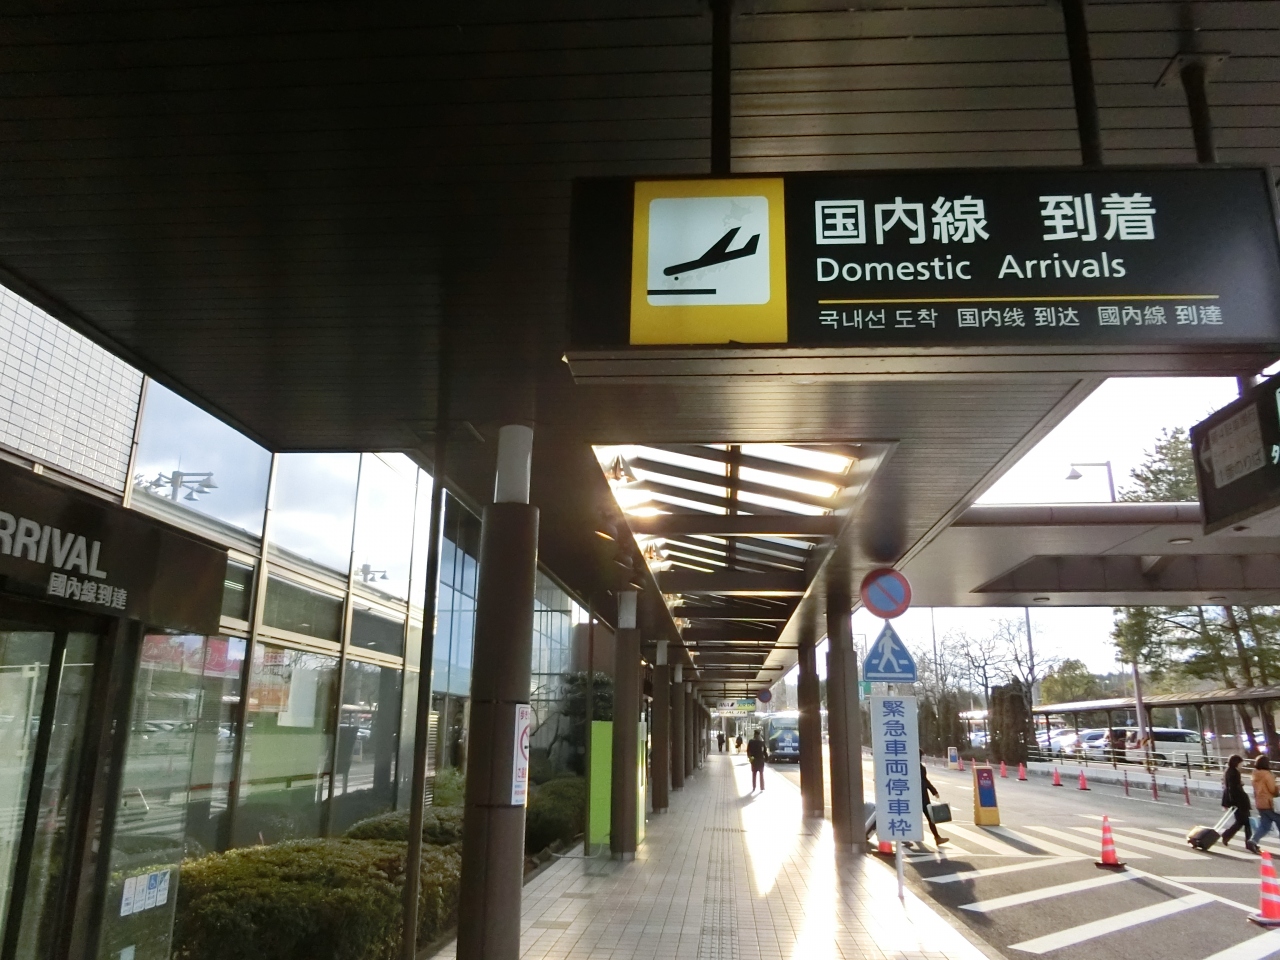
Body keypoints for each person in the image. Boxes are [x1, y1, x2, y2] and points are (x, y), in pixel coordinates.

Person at [1250, 755, 1280, 854]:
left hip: (1260, 803)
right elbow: (1272, 790)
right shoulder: (1267, 775)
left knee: (1265, 826)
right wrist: (1278, 787)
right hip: (1270, 804)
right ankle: (1253, 841)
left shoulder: (1254, 774)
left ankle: (1253, 841)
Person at [1221, 754, 1252, 847]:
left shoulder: (1229, 771)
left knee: (1242, 822)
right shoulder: (1234, 772)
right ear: (1236, 763)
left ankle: (1227, 835)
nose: (1242, 764)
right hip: (1239, 801)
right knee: (1245, 822)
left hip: (1236, 801)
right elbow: (1233, 788)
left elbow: (1231, 787)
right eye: (1241, 762)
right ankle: (1249, 843)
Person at [920, 758, 949, 847]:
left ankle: (905, 838)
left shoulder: (908, 766)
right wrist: (934, 791)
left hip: (914, 797)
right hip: (922, 797)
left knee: (912, 818)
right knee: (930, 817)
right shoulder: (920, 767)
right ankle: (937, 837)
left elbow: (925, 780)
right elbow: (925, 781)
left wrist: (934, 791)